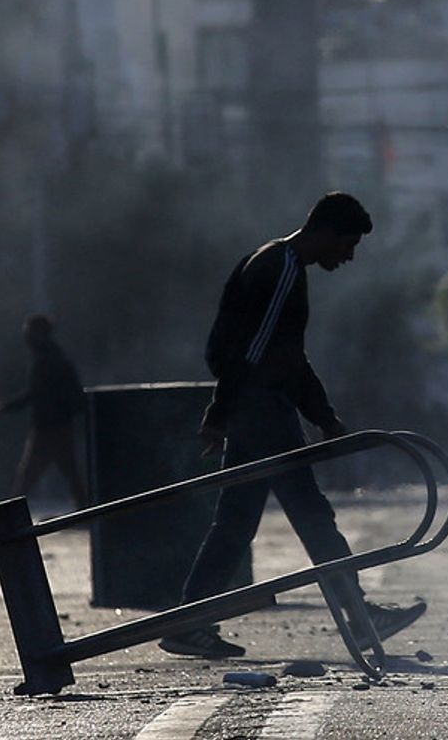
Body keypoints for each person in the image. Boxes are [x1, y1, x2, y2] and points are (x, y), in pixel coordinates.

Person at [159, 192, 427, 659]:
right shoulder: (280, 269)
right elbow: (256, 352)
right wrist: (223, 413)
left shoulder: (275, 263)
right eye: (348, 244)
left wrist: (321, 416)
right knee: (310, 515)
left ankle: (189, 620)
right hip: (261, 410)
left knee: (237, 522)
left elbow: (283, 356)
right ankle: (362, 617)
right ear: (325, 233)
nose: (348, 257)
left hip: (256, 406)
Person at [0, 314, 88, 509]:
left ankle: (11, 515)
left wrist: (10, 405)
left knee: (27, 477)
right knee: (70, 472)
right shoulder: (56, 357)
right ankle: (86, 511)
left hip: (47, 427)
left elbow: (36, 392)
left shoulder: (46, 360)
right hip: (60, 425)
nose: (26, 337)